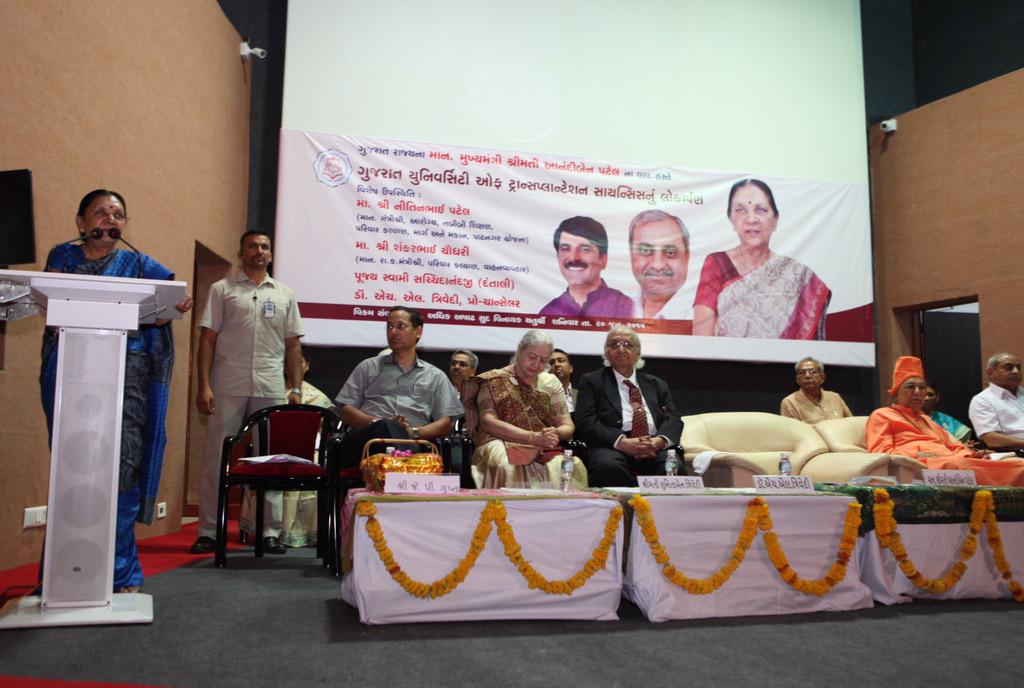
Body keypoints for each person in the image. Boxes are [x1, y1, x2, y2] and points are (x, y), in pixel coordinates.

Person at [41, 189, 193, 592]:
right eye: (101, 213)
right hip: (74, 377)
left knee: (123, 472)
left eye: (118, 214)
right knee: (74, 471)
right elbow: (51, 305)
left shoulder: (138, 262)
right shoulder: (62, 258)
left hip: (128, 385)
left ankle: (122, 573)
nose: (111, 220)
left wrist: (174, 308)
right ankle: (60, 575)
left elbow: (169, 300)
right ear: (81, 222)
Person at [191, 229, 304, 555]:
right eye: (253, 246)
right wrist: (204, 385)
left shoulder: (285, 294)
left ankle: (269, 531)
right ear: (241, 254)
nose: (259, 250)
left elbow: (293, 345)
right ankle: (208, 531)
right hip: (228, 383)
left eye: (265, 246)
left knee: (271, 458)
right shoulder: (222, 289)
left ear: (271, 254)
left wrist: (296, 387)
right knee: (216, 458)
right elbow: (207, 340)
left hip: (270, 384)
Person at [692, 178, 830, 339]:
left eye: (761, 210)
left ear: (775, 220)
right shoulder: (716, 264)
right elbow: (701, 338)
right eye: (741, 210)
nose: (751, 219)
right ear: (731, 219)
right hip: (725, 355)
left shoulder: (799, 276)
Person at [865, 356, 1024, 486]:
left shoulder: (926, 419)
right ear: (895, 393)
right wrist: (919, 454)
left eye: (922, 387)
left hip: (953, 461)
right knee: (959, 465)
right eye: (910, 387)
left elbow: (954, 446)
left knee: (1018, 465)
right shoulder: (882, 415)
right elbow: (881, 452)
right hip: (928, 464)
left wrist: (974, 454)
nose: (918, 392)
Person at [336, 306, 463, 467]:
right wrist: (379, 422)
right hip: (366, 444)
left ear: (418, 332)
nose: (393, 331)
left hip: (414, 442)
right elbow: (346, 411)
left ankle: (401, 465)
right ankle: (407, 468)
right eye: (389, 326)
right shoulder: (368, 367)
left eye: (400, 326)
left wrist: (412, 432)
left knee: (403, 438)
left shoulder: (435, 376)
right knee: (387, 426)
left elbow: (445, 424)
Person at [463, 331, 586, 488]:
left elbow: (567, 425)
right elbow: (488, 422)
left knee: (567, 466)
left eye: (543, 360)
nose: (536, 365)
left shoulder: (550, 382)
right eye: (532, 357)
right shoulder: (494, 380)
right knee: (506, 465)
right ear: (520, 351)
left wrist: (553, 433)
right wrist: (532, 437)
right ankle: (501, 505)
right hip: (499, 441)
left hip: (541, 444)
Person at [575, 326, 683, 487]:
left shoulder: (656, 384)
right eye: (614, 345)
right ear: (606, 352)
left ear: (638, 353)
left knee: (673, 466)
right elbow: (585, 421)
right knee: (608, 467)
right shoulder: (592, 382)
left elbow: (674, 419)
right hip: (612, 446)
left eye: (628, 344)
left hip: (652, 445)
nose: (621, 349)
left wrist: (659, 442)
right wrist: (622, 442)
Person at [539, 216, 633, 318]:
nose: (573, 257)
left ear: (603, 259)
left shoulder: (627, 307)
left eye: (585, 249)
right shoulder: (547, 313)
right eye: (565, 249)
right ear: (558, 257)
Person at [628, 209, 693, 320]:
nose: (658, 265)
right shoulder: (616, 306)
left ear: (687, 257)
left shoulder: (704, 314)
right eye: (645, 251)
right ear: (631, 255)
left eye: (670, 252)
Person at [969, 353, 1024, 448]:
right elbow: (991, 439)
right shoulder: (982, 400)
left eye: (1018, 367)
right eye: (1009, 367)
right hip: (1015, 451)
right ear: (990, 371)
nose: (1016, 371)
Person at [779, 356, 852, 424]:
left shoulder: (835, 397)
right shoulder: (790, 403)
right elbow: (792, 432)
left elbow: (851, 423)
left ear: (822, 377)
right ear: (797, 379)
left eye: (813, 372)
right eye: (802, 372)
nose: (807, 376)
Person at [548, 348, 577, 413]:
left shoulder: (583, 395)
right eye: (551, 363)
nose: (556, 364)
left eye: (561, 361)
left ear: (571, 368)